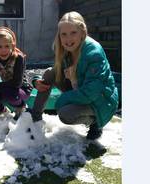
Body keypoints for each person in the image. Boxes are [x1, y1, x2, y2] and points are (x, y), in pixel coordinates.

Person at [30, 11, 119, 140]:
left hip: (100, 100)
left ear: (82, 32)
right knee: (50, 73)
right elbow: (55, 70)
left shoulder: (94, 53)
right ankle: (35, 120)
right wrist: (36, 81)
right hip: (78, 85)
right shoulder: (63, 48)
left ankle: (95, 123)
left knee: (66, 113)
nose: (68, 39)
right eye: (64, 34)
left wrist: (61, 100)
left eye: (73, 33)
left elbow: (90, 93)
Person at [0, 26, 32, 120]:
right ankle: (2, 111)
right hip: (6, 89)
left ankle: (21, 106)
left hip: (22, 89)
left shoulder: (18, 58)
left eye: (7, 46)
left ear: (12, 46)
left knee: (10, 93)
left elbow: (17, 83)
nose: (3, 50)